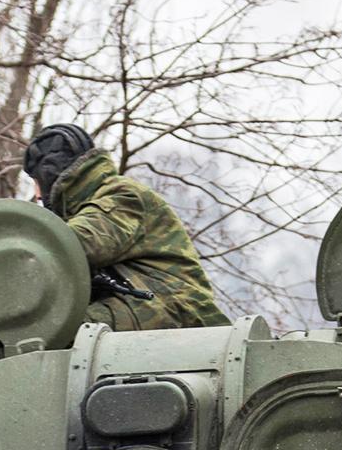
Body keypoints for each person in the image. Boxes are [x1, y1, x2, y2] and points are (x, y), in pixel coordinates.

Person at [20, 124, 229, 330]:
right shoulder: (86, 207)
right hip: (141, 303)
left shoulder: (121, 195)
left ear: (51, 172)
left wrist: (15, 258)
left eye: (37, 182)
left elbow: (81, 244)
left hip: (173, 305)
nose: (38, 194)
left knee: (55, 330)